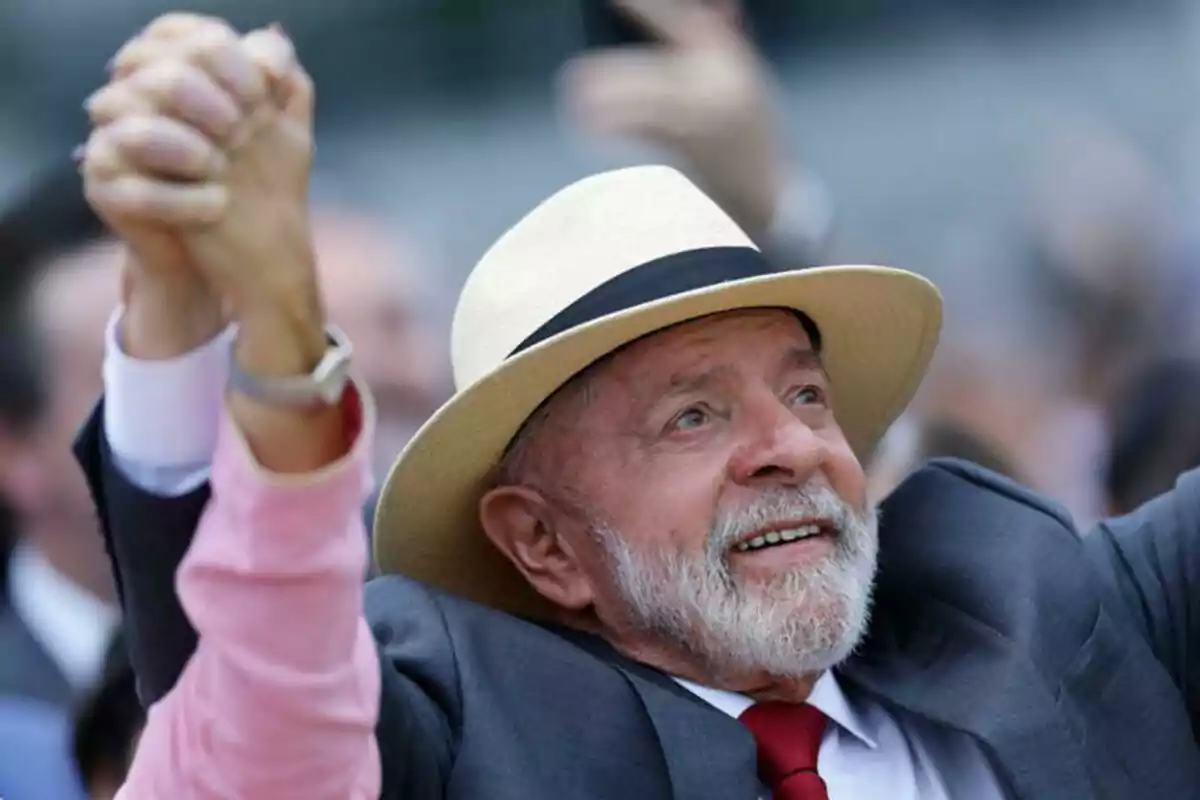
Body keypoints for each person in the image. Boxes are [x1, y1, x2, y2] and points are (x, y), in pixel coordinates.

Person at [77, 10, 1199, 800]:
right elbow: (253, 723)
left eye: (808, 392)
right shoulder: (456, 738)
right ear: (542, 542)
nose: (791, 446)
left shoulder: (1046, 605)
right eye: (693, 416)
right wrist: (226, 328)